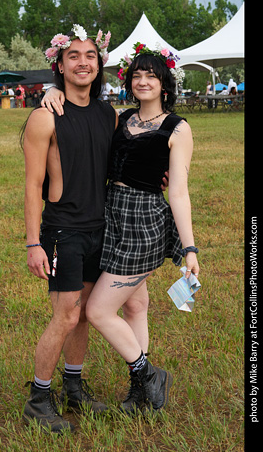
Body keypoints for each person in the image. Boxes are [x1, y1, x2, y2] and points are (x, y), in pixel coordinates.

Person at [45, 42, 199, 415]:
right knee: (135, 303)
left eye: (153, 76)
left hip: (144, 223)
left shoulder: (177, 129)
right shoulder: (121, 117)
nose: (144, 81)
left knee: (97, 310)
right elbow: (81, 110)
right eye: (138, 76)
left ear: (166, 84)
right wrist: (52, 89)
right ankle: (141, 395)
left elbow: (178, 191)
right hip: (110, 215)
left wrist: (190, 249)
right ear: (129, 82)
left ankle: (148, 374)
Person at [21, 24, 115, 433]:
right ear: (59, 64)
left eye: (89, 55)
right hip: (63, 232)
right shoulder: (44, 118)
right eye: (73, 56)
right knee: (64, 315)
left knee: (83, 318)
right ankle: (39, 401)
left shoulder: (107, 114)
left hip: (100, 229)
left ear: (99, 64)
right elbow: (30, 186)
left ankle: (74, 389)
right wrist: (32, 243)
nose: (82, 61)